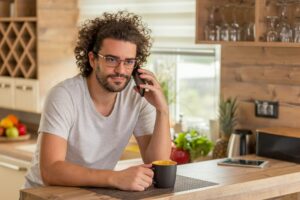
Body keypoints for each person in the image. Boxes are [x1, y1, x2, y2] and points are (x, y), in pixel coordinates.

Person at [24, 11, 171, 191]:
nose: (120, 70)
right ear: (92, 59)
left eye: (129, 62)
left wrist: (162, 110)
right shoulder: (64, 96)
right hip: (43, 195)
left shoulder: (137, 96)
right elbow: (51, 171)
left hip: (91, 193)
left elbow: (156, 162)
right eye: (111, 60)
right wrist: (115, 177)